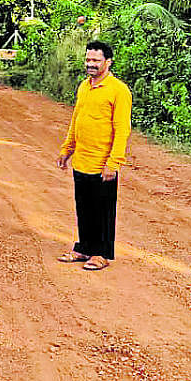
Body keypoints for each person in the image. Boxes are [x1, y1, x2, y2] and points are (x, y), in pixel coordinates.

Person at [55, 40, 132, 271]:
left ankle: (101, 253)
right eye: (88, 59)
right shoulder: (84, 86)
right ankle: (84, 248)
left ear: (108, 62)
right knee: (84, 207)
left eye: (96, 60)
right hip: (82, 161)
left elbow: (122, 129)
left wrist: (114, 162)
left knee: (103, 210)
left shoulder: (119, 90)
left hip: (103, 164)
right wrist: (66, 149)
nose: (91, 64)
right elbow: (76, 121)